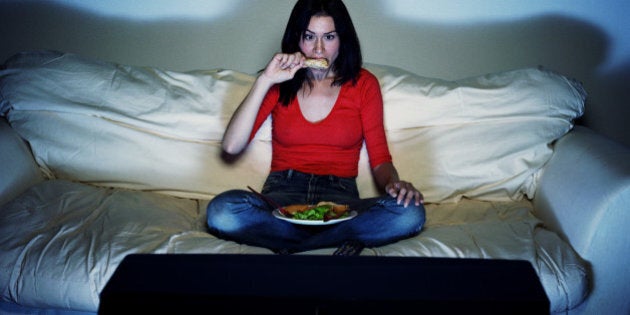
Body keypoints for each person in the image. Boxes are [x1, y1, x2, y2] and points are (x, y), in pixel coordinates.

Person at [206, 0, 425, 255]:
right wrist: (266, 79)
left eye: (329, 37)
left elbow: (380, 159)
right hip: (282, 197)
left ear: (342, 39)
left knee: (410, 213)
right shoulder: (279, 82)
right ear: (297, 39)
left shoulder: (364, 84)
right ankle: (330, 243)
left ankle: (293, 244)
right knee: (222, 211)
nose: (318, 49)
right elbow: (231, 146)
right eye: (309, 37)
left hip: (340, 202)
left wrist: (394, 185)